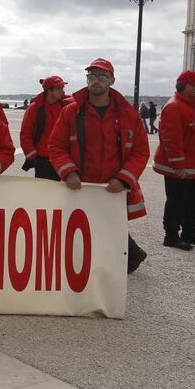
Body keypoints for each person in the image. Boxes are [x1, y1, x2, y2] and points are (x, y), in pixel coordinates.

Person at [48, 58, 149, 273]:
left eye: (102, 77)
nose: (96, 81)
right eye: (91, 76)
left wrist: (123, 179)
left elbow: (140, 151)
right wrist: (68, 172)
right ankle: (84, 266)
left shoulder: (129, 115)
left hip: (114, 186)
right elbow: (56, 146)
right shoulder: (71, 112)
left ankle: (123, 260)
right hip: (80, 184)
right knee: (78, 226)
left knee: (111, 225)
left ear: (112, 81)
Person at [152, 71, 195, 250]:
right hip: (181, 168)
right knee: (177, 202)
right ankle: (171, 235)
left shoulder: (192, 106)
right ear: (188, 86)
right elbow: (171, 139)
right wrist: (178, 165)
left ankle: (189, 232)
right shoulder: (175, 107)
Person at [20, 75, 72, 180]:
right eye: (59, 89)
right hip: (42, 158)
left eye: (62, 88)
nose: (62, 91)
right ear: (49, 91)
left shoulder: (66, 106)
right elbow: (26, 133)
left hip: (62, 158)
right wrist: (33, 156)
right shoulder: (35, 108)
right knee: (43, 192)